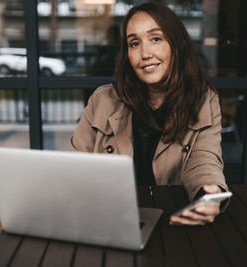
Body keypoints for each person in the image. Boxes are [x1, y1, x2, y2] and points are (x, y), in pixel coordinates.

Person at [69, 2, 229, 226]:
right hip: (109, 219)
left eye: (156, 39)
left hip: (172, 222)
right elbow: (74, 164)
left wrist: (209, 192)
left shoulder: (204, 99)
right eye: (134, 43)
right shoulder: (102, 99)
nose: (144, 53)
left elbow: (204, 159)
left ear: (177, 45)